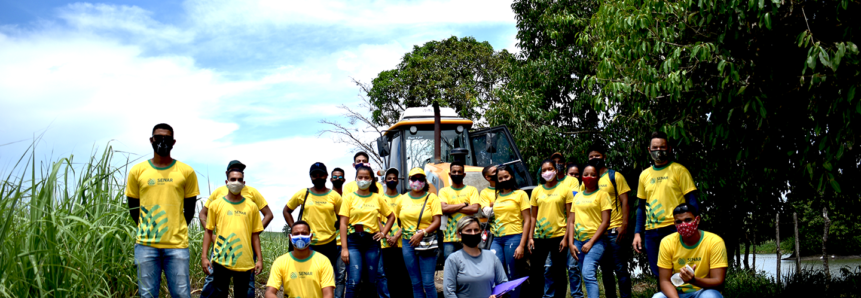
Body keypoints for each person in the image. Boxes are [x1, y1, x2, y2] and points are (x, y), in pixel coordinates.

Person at [126, 123, 199, 298]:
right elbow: (133, 208)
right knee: (147, 295)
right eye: (158, 138)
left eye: (166, 138)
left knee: (181, 294)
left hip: (177, 246)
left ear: (173, 142)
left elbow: (189, 210)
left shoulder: (186, 172)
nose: (162, 141)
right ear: (151, 140)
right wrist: (148, 228)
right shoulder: (137, 171)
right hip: (146, 245)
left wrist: (175, 228)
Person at [199, 160, 273, 297]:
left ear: (244, 180)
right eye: (233, 178)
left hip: (244, 255)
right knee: (216, 287)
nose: (236, 182)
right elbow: (207, 226)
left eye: (240, 178)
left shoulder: (251, 202)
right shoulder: (217, 200)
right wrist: (210, 245)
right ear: (227, 178)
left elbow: (261, 226)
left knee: (245, 290)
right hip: (221, 253)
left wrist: (247, 236)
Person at [633, 132, 700, 276]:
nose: (659, 151)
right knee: (659, 273)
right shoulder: (644, 175)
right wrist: (637, 233)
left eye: (662, 147)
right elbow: (640, 207)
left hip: (676, 228)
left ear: (669, 149)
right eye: (655, 147)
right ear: (649, 150)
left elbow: (692, 200)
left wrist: (692, 225)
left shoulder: (679, 171)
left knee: (680, 271)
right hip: (651, 231)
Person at [339, 166, 396, 298]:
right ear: (356, 179)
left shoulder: (377, 198)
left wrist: (383, 233)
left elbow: (391, 216)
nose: (363, 180)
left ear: (371, 180)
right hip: (353, 242)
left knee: (372, 281)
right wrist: (344, 248)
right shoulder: (349, 198)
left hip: (372, 242)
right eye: (360, 177)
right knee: (353, 281)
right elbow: (343, 223)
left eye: (366, 178)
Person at [586, 145, 632, 298]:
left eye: (597, 156)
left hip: (615, 231)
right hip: (599, 234)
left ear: (604, 157)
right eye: (591, 157)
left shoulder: (615, 176)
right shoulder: (588, 179)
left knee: (620, 269)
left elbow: (625, 201)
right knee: (605, 271)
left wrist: (624, 225)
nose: (594, 159)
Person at [653, 204, 726, 298]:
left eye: (688, 220)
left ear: (697, 220)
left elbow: (718, 281)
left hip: (703, 291)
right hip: (676, 292)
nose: (683, 225)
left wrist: (693, 280)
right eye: (679, 222)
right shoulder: (667, 242)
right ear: (674, 223)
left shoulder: (714, 242)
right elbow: (664, 281)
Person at [481, 164, 531, 298]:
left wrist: (522, 245)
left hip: (514, 238)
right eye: (500, 178)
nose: (503, 180)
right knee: (494, 271)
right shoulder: (497, 196)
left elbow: (527, 220)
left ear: (512, 176)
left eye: (506, 177)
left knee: (512, 273)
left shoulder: (520, 194)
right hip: (497, 238)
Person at [529, 160, 574, 298]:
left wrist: (566, 239)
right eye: (544, 170)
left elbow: (570, 217)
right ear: (541, 173)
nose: (547, 172)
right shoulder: (536, 190)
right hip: (539, 237)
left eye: (550, 169)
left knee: (559, 272)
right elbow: (533, 217)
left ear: (555, 170)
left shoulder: (565, 190)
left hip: (559, 236)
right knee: (536, 272)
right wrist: (530, 237)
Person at [395, 168, 442, 298]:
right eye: (414, 179)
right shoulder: (402, 199)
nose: (417, 181)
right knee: (415, 283)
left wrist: (422, 233)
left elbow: (437, 221)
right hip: (407, 243)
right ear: (409, 181)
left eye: (420, 179)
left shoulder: (432, 198)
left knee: (428, 283)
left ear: (424, 181)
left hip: (427, 241)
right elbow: (400, 221)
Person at [284, 162, 342, 268]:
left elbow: (342, 217)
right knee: (306, 274)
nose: (318, 177)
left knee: (325, 275)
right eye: (314, 175)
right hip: (307, 242)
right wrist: (294, 228)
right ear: (311, 177)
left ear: (326, 176)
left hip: (329, 242)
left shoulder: (335, 196)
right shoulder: (303, 193)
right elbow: (286, 211)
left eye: (321, 175)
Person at [568, 163, 612, 298]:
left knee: (588, 273)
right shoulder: (578, 196)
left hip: (596, 241)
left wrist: (591, 242)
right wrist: (571, 243)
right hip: (578, 242)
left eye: (593, 175)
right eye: (586, 174)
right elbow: (571, 221)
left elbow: (606, 222)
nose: (589, 177)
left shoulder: (603, 195)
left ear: (598, 177)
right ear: (582, 177)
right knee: (584, 274)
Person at [265, 221, 335, 298]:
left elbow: (328, 294)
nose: (300, 236)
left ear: (310, 237)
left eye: (304, 233)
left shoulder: (323, 261)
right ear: (290, 237)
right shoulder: (280, 262)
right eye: (296, 234)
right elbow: (269, 293)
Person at [443, 216, 508, 298]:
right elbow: (449, 293)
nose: (473, 233)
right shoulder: (453, 259)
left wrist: (498, 294)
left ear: (480, 232)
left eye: (476, 230)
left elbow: (503, 283)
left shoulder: (491, 257)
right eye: (468, 231)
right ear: (459, 234)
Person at [381, 168, 412, 298]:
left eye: (394, 178)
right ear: (384, 181)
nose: (392, 180)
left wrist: (396, 236)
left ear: (398, 182)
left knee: (403, 275)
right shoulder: (380, 199)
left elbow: (407, 220)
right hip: (385, 244)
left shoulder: (404, 198)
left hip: (402, 243)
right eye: (389, 178)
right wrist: (387, 236)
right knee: (388, 276)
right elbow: (376, 220)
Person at [439, 161, 481, 260]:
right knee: (451, 267)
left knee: (471, 264)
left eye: (459, 172)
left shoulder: (472, 190)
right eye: (454, 172)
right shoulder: (444, 191)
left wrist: (451, 207)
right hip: (449, 237)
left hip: (469, 236)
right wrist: (464, 204)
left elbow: (474, 208)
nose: (457, 174)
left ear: (464, 174)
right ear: (450, 174)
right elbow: (443, 209)